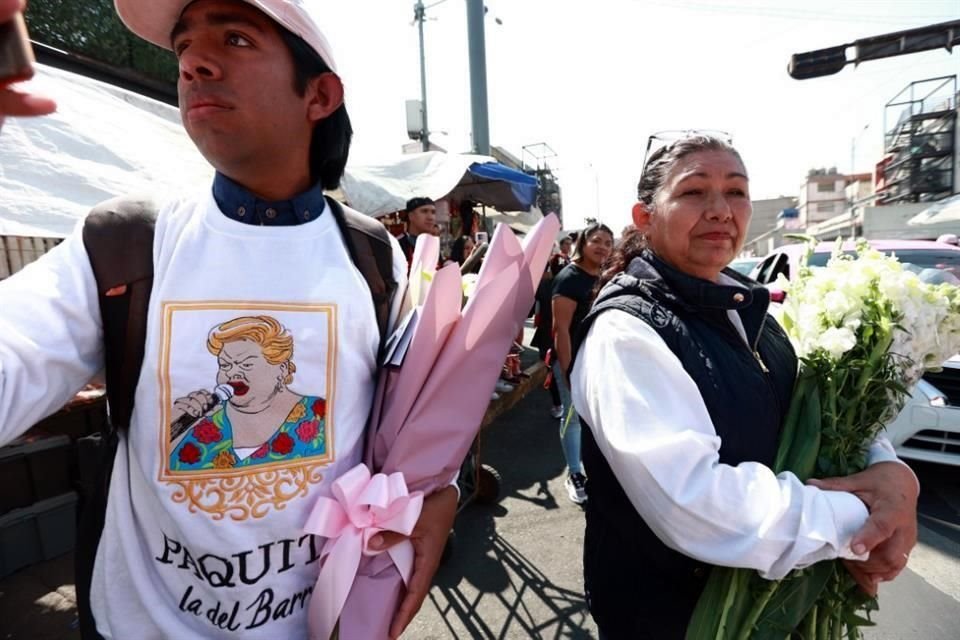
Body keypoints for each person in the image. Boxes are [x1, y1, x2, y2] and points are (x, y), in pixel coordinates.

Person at [0, 1, 457, 639]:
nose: (193, 64)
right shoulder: (125, 243)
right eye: (185, 46)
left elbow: (420, 413)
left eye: (235, 38)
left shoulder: (374, 259)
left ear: (319, 95)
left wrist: (443, 493)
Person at [570, 135, 919, 638]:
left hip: (769, 608)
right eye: (693, 193)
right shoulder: (627, 332)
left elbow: (811, 406)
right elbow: (693, 502)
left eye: (736, 192)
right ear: (645, 217)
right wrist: (862, 515)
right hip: (672, 617)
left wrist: (888, 469)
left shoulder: (749, 308)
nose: (720, 210)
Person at [551, 222, 614, 504]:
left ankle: (596, 469)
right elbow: (560, 329)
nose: (602, 247)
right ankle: (574, 474)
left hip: (601, 359)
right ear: (583, 244)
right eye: (597, 241)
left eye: (608, 243)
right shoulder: (569, 278)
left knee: (600, 417)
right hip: (573, 360)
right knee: (573, 418)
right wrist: (566, 370)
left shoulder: (607, 275)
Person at [398, 196, 437, 268]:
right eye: (424, 211)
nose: (430, 217)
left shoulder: (433, 244)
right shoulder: (398, 245)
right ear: (411, 216)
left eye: (433, 212)